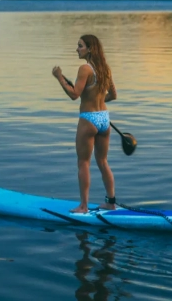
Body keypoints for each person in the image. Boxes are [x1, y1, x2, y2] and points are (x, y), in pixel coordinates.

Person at [52, 34, 118, 214]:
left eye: (80, 46)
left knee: (83, 163)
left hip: (89, 119)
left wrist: (59, 77)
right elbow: (113, 95)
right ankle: (111, 202)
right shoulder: (105, 69)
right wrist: (97, 99)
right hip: (104, 118)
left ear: (90, 49)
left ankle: (83, 206)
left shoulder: (85, 69)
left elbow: (74, 94)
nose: (77, 49)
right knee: (103, 162)